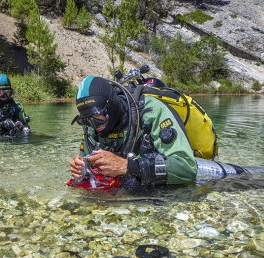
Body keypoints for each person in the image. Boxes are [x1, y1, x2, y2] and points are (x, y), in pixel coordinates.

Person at [69, 76, 197, 189]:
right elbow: (86, 163)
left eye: (98, 119)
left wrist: (127, 166)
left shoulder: (152, 112)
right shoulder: (92, 123)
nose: (94, 126)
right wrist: (81, 169)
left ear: (111, 107)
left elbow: (187, 169)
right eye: (86, 121)